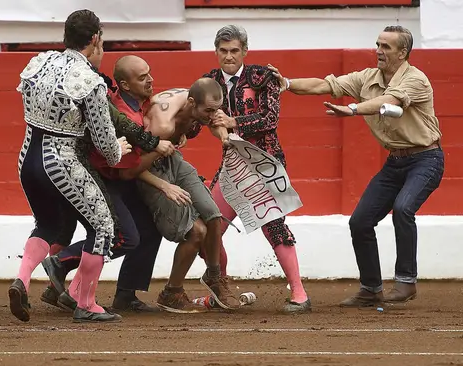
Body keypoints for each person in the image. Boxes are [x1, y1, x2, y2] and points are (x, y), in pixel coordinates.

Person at [268, 25, 443, 307]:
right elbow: (324, 85)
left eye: (386, 47)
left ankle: (406, 282)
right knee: (360, 221)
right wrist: (287, 84)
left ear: (403, 53)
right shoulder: (367, 78)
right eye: (378, 44)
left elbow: (389, 100)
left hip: (426, 159)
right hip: (395, 162)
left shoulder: (416, 79)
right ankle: (371, 288)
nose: (379, 51)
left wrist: (351, 109)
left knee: (403, 208)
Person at [9, 9, 133, 324]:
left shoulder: (39, 62)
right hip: (59, 160)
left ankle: (22, 280)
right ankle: (86, 303)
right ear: (93, 40)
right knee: (103, 226)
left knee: (47, 224)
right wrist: (117, 150)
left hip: (27, 158)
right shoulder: (89, 80)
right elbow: (106, 143)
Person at [40, 55, 176, 313]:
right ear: (124, 85)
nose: (151, 80)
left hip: (117, 180)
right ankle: (62, 263)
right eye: (142, 77)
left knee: (148, 229)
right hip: (105, 180)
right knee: (124, 237)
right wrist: (159, 151)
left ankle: (124, 293)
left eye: (149, 73)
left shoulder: (139, 100)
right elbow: (126, 171)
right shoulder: (121, 115)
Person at [201, 25, 311, 314]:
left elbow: (270, 119)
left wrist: (232, 122)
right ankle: (221, 290)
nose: (228, 56)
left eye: (234, 50)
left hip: (264, 164)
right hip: (232, 167)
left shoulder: (263, 77)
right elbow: (204, 119)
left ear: (245, 51)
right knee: (209, 229)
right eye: (223, 51)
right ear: (216, 52)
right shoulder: (209, 81)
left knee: (274, 227)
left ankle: (299, 293)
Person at [139, 77, 242, 311]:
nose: (212, 115)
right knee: (197, 231)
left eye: (215, 109)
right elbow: (132, 163)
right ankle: (172, 293)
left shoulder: (200, 101)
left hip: (173, 158)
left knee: (214, 217)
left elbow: (215, 121)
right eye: (208, 111)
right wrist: (163, 185)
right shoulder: (164, 123)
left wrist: (225, 138)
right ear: (193, 103)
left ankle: (214, 277)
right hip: (149, 168)